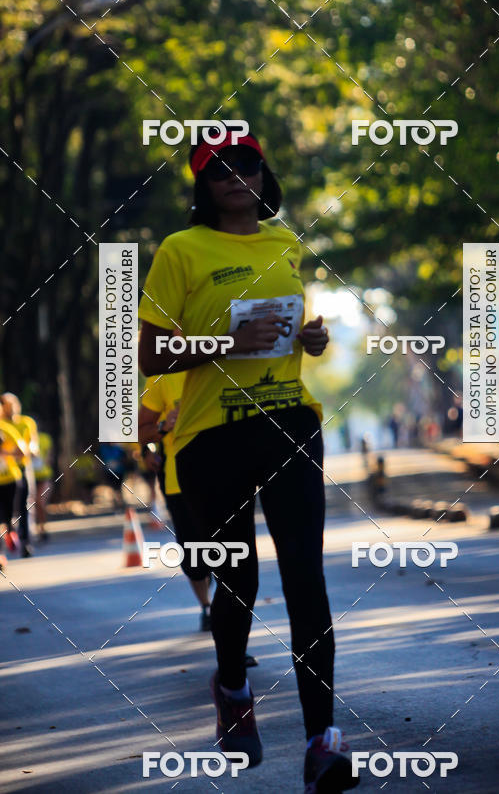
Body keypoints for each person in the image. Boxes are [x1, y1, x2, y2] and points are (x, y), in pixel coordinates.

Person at [138, 130, 358, 792]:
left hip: (289, 423)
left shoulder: (286, 244)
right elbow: (148, 356)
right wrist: (223, 342)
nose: (235, 176)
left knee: (306, 581)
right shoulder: (180, 251)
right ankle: (233, 688)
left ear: (265, 174)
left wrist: (311, 337)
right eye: (218, 168)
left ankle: (324, 741)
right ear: (201, 185)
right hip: (212, 438)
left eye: (247, 164)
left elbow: (291, 330)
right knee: (241, 581)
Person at [139, 371, 258, 667]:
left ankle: (233, 650)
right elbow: (141, 430)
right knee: (195, 561)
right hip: (179, 482)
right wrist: (161, 431)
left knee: (229, 563)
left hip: (226, 479)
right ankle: (207, 605)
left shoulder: (224, 366)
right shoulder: (164, 378)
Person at [1, 393, 38, 557]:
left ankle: (25, 541)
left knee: (24, 505)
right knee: (7, 512)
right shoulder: (3, 424)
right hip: (7, 471)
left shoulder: (26, 422)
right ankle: (10, 533)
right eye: (7, 406)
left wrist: (30, 450)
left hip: (21, 469)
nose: (11, 409)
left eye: (13, 405)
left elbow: (32, 446)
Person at [0, 416, 27, 564]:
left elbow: (22, 452)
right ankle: (1, 556)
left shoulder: (6, 429)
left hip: (10, 480)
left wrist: (5, 453)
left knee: (8, 518)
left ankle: (11, 532)